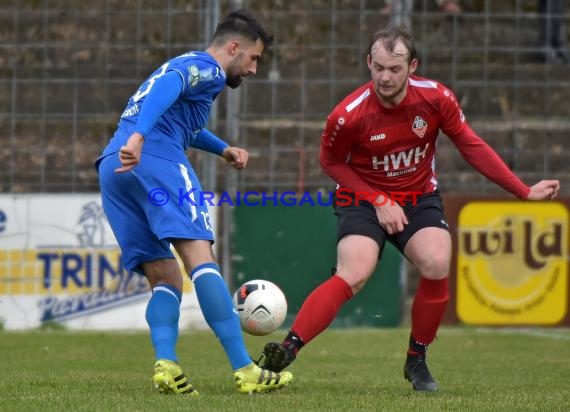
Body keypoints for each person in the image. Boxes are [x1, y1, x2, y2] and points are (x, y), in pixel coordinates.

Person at [257, 26, 560, 392]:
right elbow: (332, 164)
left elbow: (471, 145)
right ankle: (288, 348)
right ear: (369, 62)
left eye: (395, 69)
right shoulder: (347, 115)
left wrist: (522, 190)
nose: (385, 77)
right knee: (355, 270)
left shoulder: (436, 99)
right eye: (379, 67)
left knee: (435, 261)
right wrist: (379, 200)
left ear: (412, 66)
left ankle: (416, 360)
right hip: (362, 198)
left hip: (417, 197)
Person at [95, 9, 292, 396]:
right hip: (155, 161)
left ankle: (166, 364)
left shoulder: (188, 64)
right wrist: (140, 137)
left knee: (165, 275)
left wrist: (223, 149)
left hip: (113, 168)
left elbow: (183, 122)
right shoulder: (208, 69)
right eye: (254, 58)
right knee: (201, 260)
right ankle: (244, 369)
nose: (253, 69)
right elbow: (171, 85)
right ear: (233, 48)